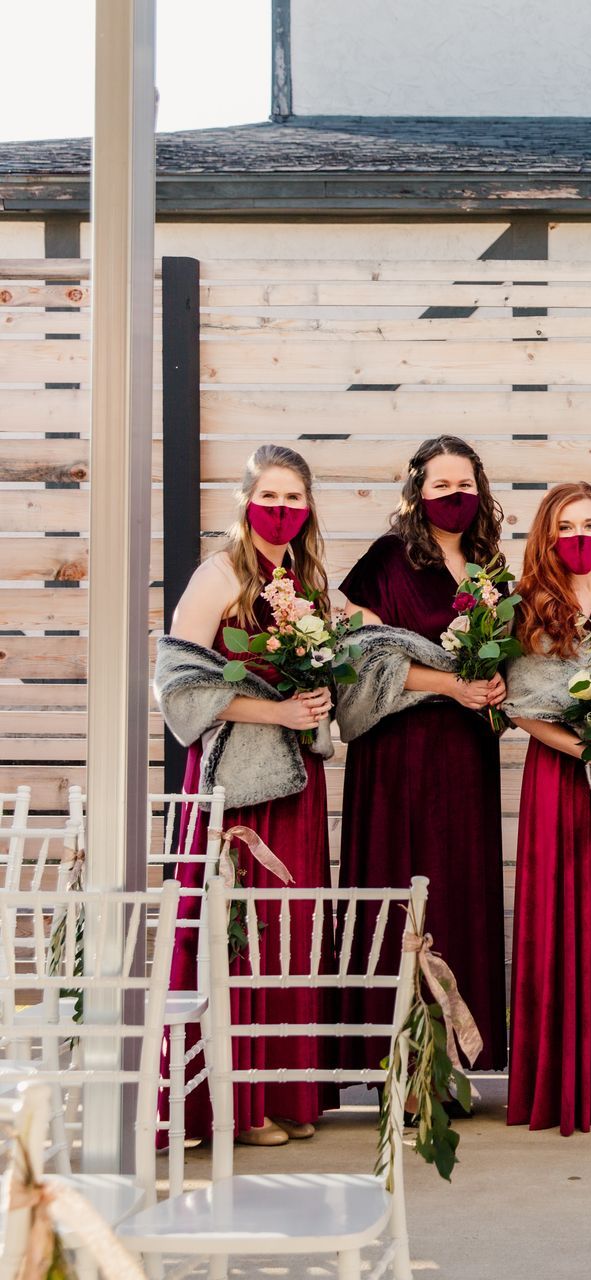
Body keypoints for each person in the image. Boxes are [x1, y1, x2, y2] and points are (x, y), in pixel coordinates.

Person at [153, 444, 334, 1148]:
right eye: (271, 497)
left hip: (297, 780)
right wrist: (277, 713)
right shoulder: (219, 574)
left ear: (308, 507)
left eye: (294, 499)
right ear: (247, 501)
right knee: (239, 931)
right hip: (236, 784)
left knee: (289, 929)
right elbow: (180, 685)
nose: (282, 510)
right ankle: (232, 1101)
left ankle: (284, 1092)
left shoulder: (310, 581)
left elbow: (351, 645)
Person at [334, 435, 509, 1077]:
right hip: (397, 757)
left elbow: (505, 655)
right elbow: (361, 656)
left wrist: (494, 686)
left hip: (464, 759)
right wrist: (450, 683)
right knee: (402, 889)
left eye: (465, 486)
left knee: (457, 890)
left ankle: (453, 1059)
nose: (454, 497)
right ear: (417, 492)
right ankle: (396, 1059)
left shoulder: (491, 570)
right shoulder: (386, 560)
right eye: (441, 486)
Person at [501, 482, 591, 1134]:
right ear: (549, 536)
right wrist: (586, 746)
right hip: (560, 780)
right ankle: (557, 1084)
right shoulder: (533, 605)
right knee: (560, 916)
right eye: (568, 526)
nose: (580, 536)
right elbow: (524, 709)